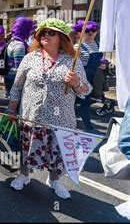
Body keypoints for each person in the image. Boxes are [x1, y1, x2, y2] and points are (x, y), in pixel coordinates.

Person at [7, 19, 92, 199]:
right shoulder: (30, 58)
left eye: (51, 32)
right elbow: (17, 86)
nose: (46, 35)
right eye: (43, 32)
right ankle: (23, 176)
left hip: (61, 120)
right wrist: (12, 111)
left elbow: (86, 89)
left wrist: (77, 83)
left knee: (57, 152)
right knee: (27, 148)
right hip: (32, 116)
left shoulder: (72, 61)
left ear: (61, 37)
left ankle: (54, 180)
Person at [71, 20, 103, 134]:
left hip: (95, 79)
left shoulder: (99, 45)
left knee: (87, 102)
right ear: (82, 32)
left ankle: (83, 125)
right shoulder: (77, 47)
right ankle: (87, 127)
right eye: (87, 31)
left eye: (93, 30)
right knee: (79, 102)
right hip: (82, 79)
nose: (91, 33)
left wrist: (103, 64)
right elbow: (72, 65)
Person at [3, 17, 36, 98]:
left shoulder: (13, 41)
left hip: (10, 77)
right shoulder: (19, 45)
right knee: (16, 106)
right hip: (15, 79)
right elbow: (20, 68)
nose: (31, 33)